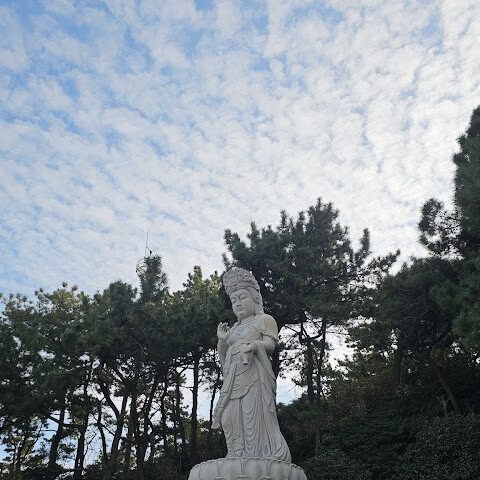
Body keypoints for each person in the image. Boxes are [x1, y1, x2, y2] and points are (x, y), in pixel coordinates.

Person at [212, 267, 291, 462]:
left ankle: (256, 455)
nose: (238, 303)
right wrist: (222, 341)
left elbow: (270, 345)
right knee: (229, 418)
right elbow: (225, 358)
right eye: (234, 300)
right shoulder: (234, 328)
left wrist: (255, 346)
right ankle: (235, 454)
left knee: (251, 417)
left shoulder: (264, 320)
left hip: (253, 376)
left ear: (255, 298)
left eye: (242, 297)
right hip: (233, 379)